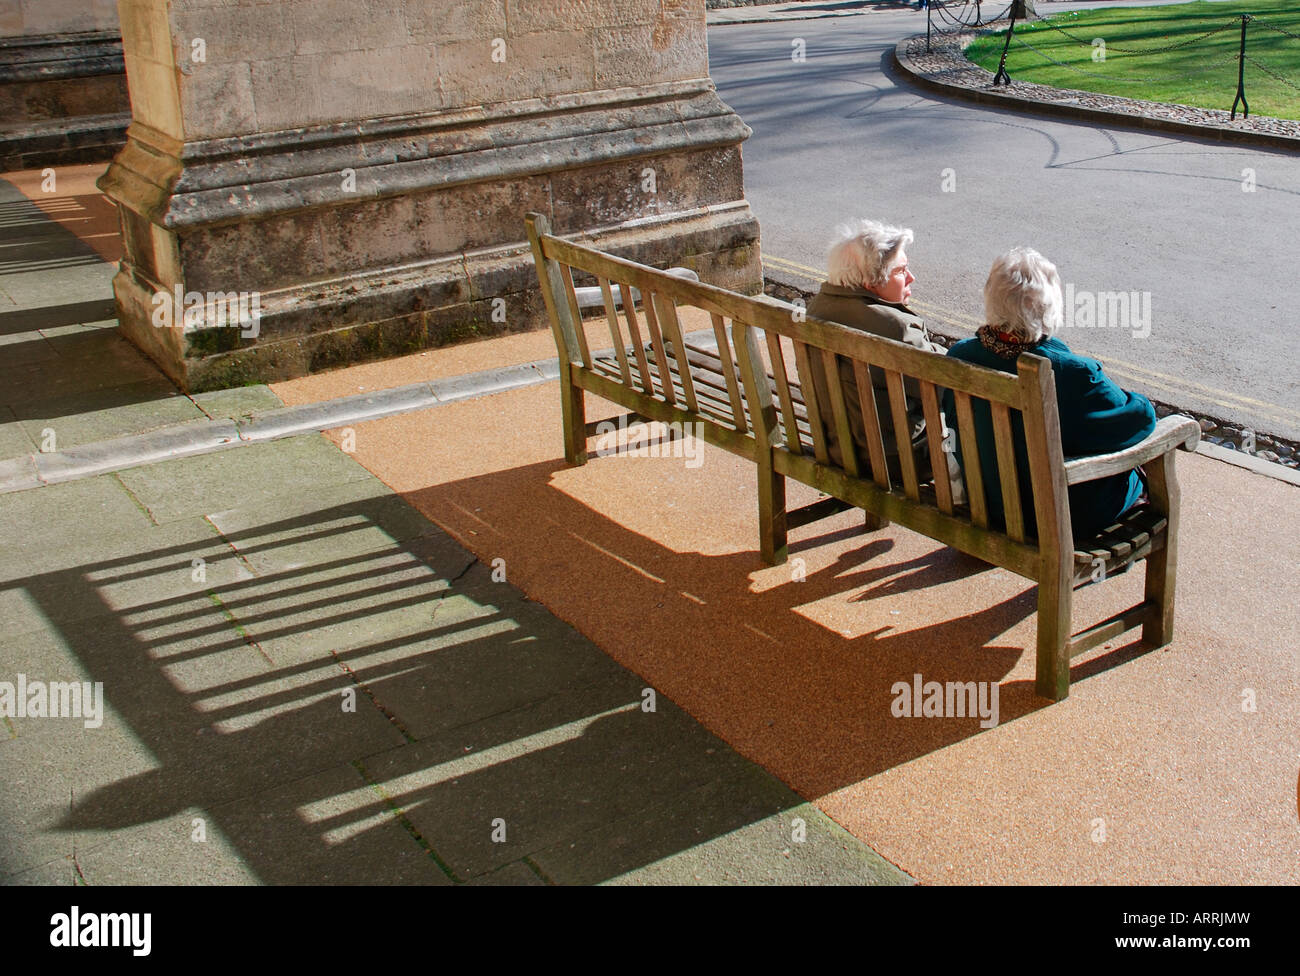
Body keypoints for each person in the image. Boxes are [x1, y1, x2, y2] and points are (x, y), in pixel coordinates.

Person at [942, 247, 1156, 541]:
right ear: (1048, 306)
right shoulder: (1073, 373)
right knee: (1140, 474)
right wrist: (1136, 399)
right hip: (1058, 516)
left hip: (989, 505)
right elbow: (1137, 421)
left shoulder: (959, 355)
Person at [806, 219, 947, 487]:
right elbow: (948, 389)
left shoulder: (817, 309)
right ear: (871, 281)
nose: (911, 277)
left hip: (835, 448)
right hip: (896, 461)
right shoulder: (896, 328)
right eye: (901, 271)